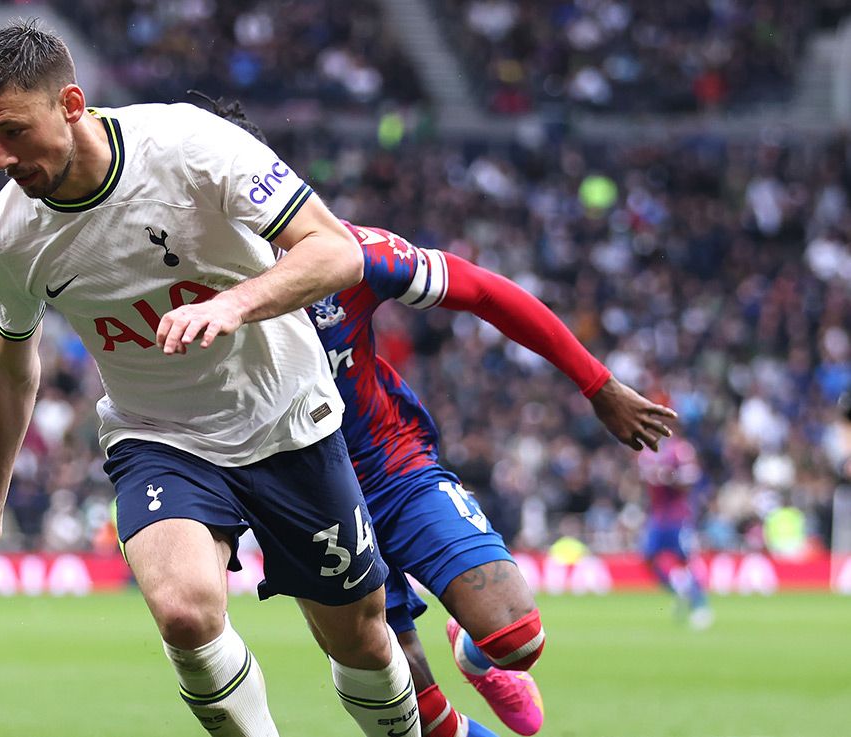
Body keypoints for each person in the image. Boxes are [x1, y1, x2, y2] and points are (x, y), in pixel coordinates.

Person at [0, 21, 497, 737]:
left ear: (71, 102)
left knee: (358, 637)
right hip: (159, 437)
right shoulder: (6, 235)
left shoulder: (189, 146)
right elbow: (11, 365)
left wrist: (235, 301)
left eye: (11, 131)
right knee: (184, 611)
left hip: (287, 419)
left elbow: (334, 251)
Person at [198, 94, 677, 736]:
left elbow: (481, 289)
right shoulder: (167, 292)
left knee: (518, 637)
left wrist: (597, 384)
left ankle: (476, 651)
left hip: (390, 468)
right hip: (301, 503)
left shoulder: (348, 255)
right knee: (416, 719)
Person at [637, 435, 713, 629]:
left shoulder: (680, 449)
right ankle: (678, 590)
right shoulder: (646, 452)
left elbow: (691, 479)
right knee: (648, 558)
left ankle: (700, 606)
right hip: (657, 516)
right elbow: (644, 479)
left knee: (685, 561)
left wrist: (669, 477)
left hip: (678, 516)